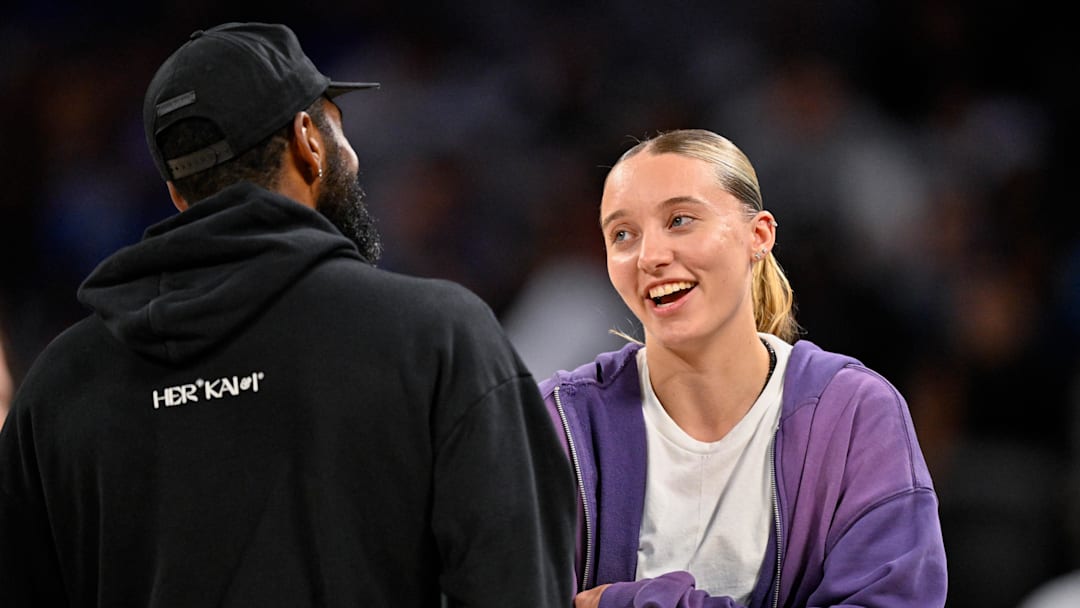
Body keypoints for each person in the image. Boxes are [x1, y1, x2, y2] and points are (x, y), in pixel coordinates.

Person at [0, 22, 575, 607]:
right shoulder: (438, 338)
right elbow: (520, 587)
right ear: (310, 139)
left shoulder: (57, 389)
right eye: (339, 128)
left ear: (179, 196)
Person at [540, 129, 947, 607]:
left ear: (759, 235)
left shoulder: (855, 414)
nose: (650, 256)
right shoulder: (558, 425)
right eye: (622, 234)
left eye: (680, 220)